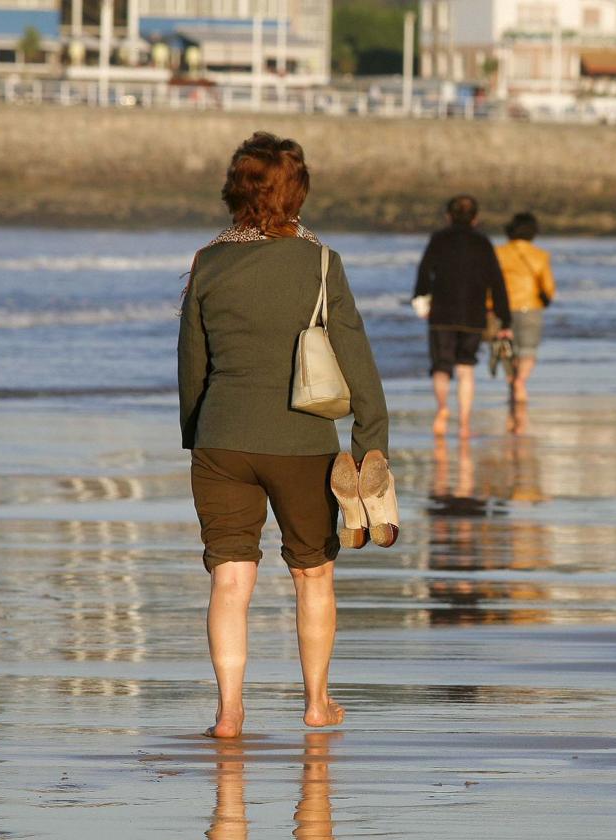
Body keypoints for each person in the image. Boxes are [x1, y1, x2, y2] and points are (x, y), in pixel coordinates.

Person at [179, 132, 388, 735]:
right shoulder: (321, 262)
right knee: (312, 572)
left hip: (220, 437)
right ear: (297, 192)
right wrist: (370, 440)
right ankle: (317, 703)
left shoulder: (208, 260)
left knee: (231, 575)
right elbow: (355, 357)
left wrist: (199, 433)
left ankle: (229, 711)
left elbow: (192, 362)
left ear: (235, 191)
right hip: (301, 441)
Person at [413, 194, 512, 438]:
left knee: (441, 366)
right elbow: (496, 281)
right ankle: (465, 424)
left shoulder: (438, 239)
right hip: (473, 314)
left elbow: (425, 271)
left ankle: (442, 409)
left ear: (448, 216)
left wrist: (421, 300)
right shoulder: (483, 242)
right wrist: (504, 318)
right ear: (476, 218)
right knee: (466, 367)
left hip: (442, 313)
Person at [495, 211, 556, 412]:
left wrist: (488, 304)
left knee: (504, 347)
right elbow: (548, 288)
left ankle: (512, 381)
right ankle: (521, 382)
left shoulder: (499, 252)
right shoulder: (540, 255)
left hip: (501, 308)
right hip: (531, 306)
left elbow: (490, 284)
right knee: (528, 350)